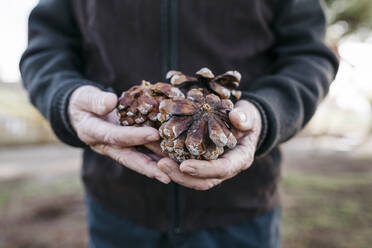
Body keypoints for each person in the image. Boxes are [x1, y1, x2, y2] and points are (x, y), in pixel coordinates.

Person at [20, 0, 339, 247]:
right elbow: (45, 48)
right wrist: (65, 97)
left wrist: (269, 112)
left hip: (241, 213)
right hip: (116, 209)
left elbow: (309, 55)